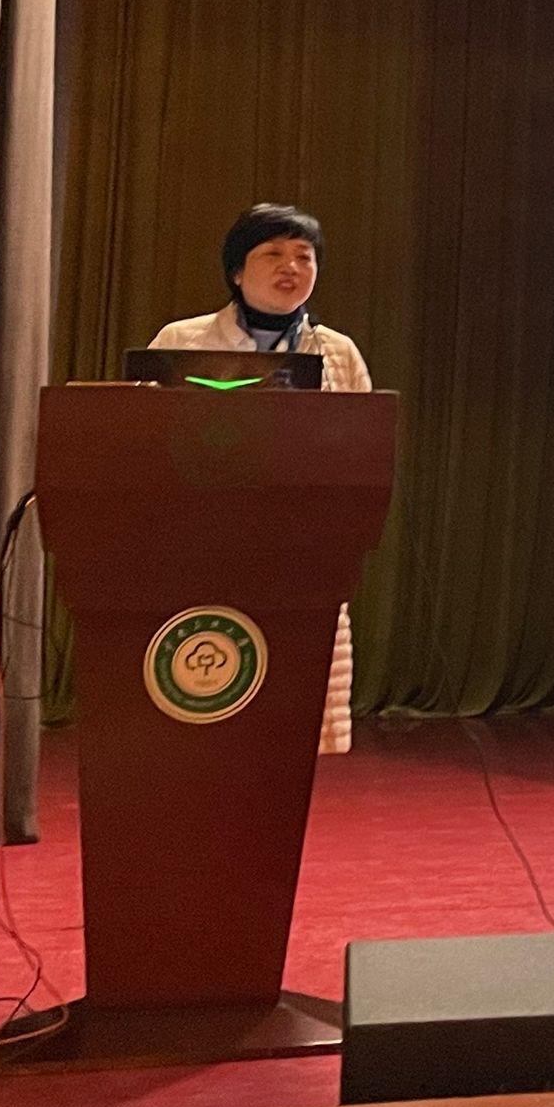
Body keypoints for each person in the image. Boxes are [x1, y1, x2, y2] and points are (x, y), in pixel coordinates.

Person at [151, 204, 371, 753]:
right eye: (272, 253)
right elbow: (145, 441)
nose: (290, 266)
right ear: (236, 270)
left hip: (301, 552)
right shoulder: (184, 340)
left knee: (292, 721)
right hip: (200, 547)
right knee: (206, 702)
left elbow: (365, 450)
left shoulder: (337, 352)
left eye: (304, 256)